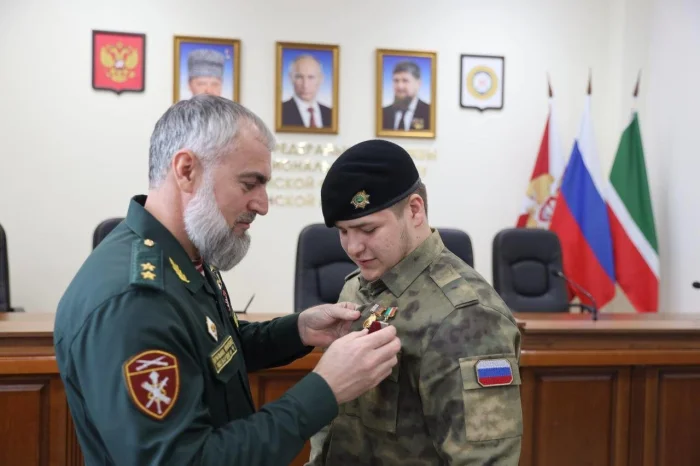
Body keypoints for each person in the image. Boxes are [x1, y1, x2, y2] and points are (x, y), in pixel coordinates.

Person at [53, 95, 401, 466]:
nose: (263, 204)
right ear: (187, 170)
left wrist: (299, 330)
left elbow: (214, 349)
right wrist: (325, 389)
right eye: (250, 184)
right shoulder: (134, 302)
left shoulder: (186, 253)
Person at [306, 139, 523, 465]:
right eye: (343, 231)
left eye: (367, 229)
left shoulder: (468, 316)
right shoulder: (357, 287)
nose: (353, 247)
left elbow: (484, 460)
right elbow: (335, 411)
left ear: (415, 210)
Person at [281, 54, 332, 128]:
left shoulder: (330, 114)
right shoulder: (281, 112)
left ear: (321, 79)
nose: (305, 85)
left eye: (311, 77)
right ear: (290, 78)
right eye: (299, 77)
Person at [381, 61, 431, 131]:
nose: (400, 86)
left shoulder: (429, 112)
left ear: (418, 83)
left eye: (405, 81)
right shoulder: (383, 113)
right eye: (396, 81)